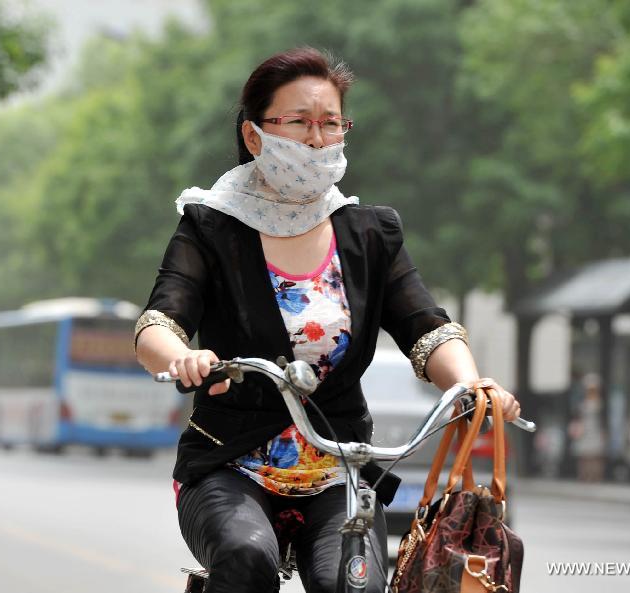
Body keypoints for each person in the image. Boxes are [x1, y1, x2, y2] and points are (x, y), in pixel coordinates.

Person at [134, 47, 522, 593]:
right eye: (299, 123)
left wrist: (469, 383)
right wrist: (183, 358)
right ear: (254, 135)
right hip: (231, 466)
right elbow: (160, 319)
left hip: (339, 471)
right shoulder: (209, 226)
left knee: (350, 584)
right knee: (247, 558)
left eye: (331, 124)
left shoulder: (370, 234)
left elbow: (425, 324)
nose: (317, 139)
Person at [569, 373, 606, 482]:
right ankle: (584, 477)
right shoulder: (582, 401)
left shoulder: (600, 402)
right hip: (584, 430)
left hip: (595, 429)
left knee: (595, 456)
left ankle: (595, 477)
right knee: (584, 456)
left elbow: (603, 419)